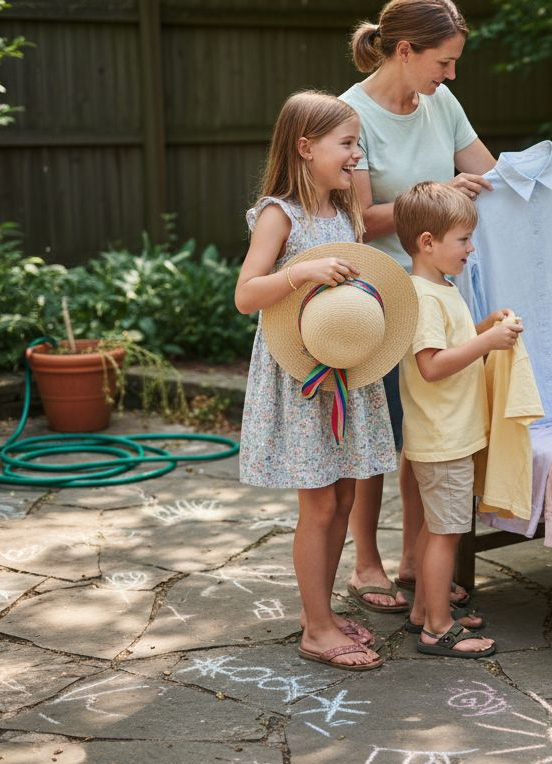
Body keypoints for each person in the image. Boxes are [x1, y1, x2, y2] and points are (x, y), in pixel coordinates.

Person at [340, 0, 552, 613]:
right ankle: (367, 563)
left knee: (422, 435)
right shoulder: (353, 113)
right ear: (405, 50)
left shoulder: (441, 105)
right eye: (444, 62)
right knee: (379, 438)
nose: (451, 75)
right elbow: (359, 220)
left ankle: (413, 560)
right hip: (381, 298)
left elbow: (495, 178)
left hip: (437, 295)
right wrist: (430, 196)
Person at [234, 91, 409, 671]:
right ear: (306, 148)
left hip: (345, 370)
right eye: (348, 144)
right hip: (301, 373)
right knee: (318, 502)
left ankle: (328, 613)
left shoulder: (344, 212)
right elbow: (246, 294)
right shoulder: (279, 213)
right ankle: (314, 627)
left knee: (345, 494)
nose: (357, 155)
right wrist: (300, 270)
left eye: (357, 144)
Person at [394, 181, 519, 657]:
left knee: (434, 527)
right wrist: (487, 344)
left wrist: (484, 327)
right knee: (447, 531)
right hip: (443, 439)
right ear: (428, 243)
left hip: (446, 435)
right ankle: (439, 629)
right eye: (463, 240)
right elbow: (431, 365)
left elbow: (450, 346)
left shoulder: (440, 289)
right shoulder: (424, 297)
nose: (472, 248)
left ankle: (424, 611)